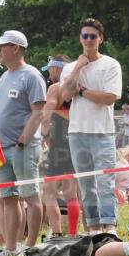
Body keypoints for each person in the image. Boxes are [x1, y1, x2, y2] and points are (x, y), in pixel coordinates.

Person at [0, 30, 46, 256]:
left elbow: (38, 112)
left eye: (2, 46)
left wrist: (23, 141)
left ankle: (30, 248)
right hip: (0, 149)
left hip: (22, 147)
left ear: (16, 48)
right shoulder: (4, 77)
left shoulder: (32, 76)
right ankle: (11, 248)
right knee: (8, 198)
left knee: (31, 196)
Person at [60, 18, 123, 233]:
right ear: (80, 38)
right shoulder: (70, 67)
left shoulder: (111, 64)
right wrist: (79, 66)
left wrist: (83, 91)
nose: (88, 40)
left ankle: (110, 226)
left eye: (93, 36)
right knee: (86, 185)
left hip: (102, 132)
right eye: (85, 36)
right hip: (77, 132)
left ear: (100, 39)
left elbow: (109, 97)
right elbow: (65, 95)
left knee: (105, 182)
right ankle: (94, 228)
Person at [40, 54, 81, 236]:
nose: (49, 72)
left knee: (49, 192)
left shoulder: (55, 88)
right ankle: (74, 233)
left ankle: (56, 233)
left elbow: (47, 113)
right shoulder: (79, 87)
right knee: (73, 193)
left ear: (57, 68)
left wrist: (45, 133)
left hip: (58, 142)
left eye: (49, 69)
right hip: (77, 140)